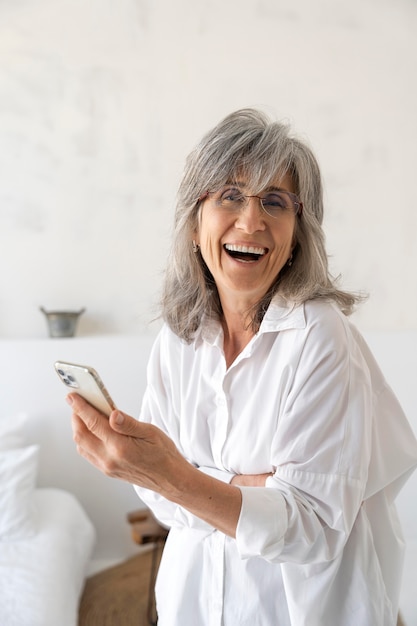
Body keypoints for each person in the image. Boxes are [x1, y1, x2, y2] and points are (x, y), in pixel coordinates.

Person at [68, 108, 417, 626]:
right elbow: (165, 508)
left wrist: (180, 475)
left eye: (274, 201)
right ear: (194, 223)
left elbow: (314, 528)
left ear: (298, 234)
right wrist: (243, 487)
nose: (250, 221)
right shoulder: (178, 339)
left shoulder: (320, 337)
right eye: (229, 195)